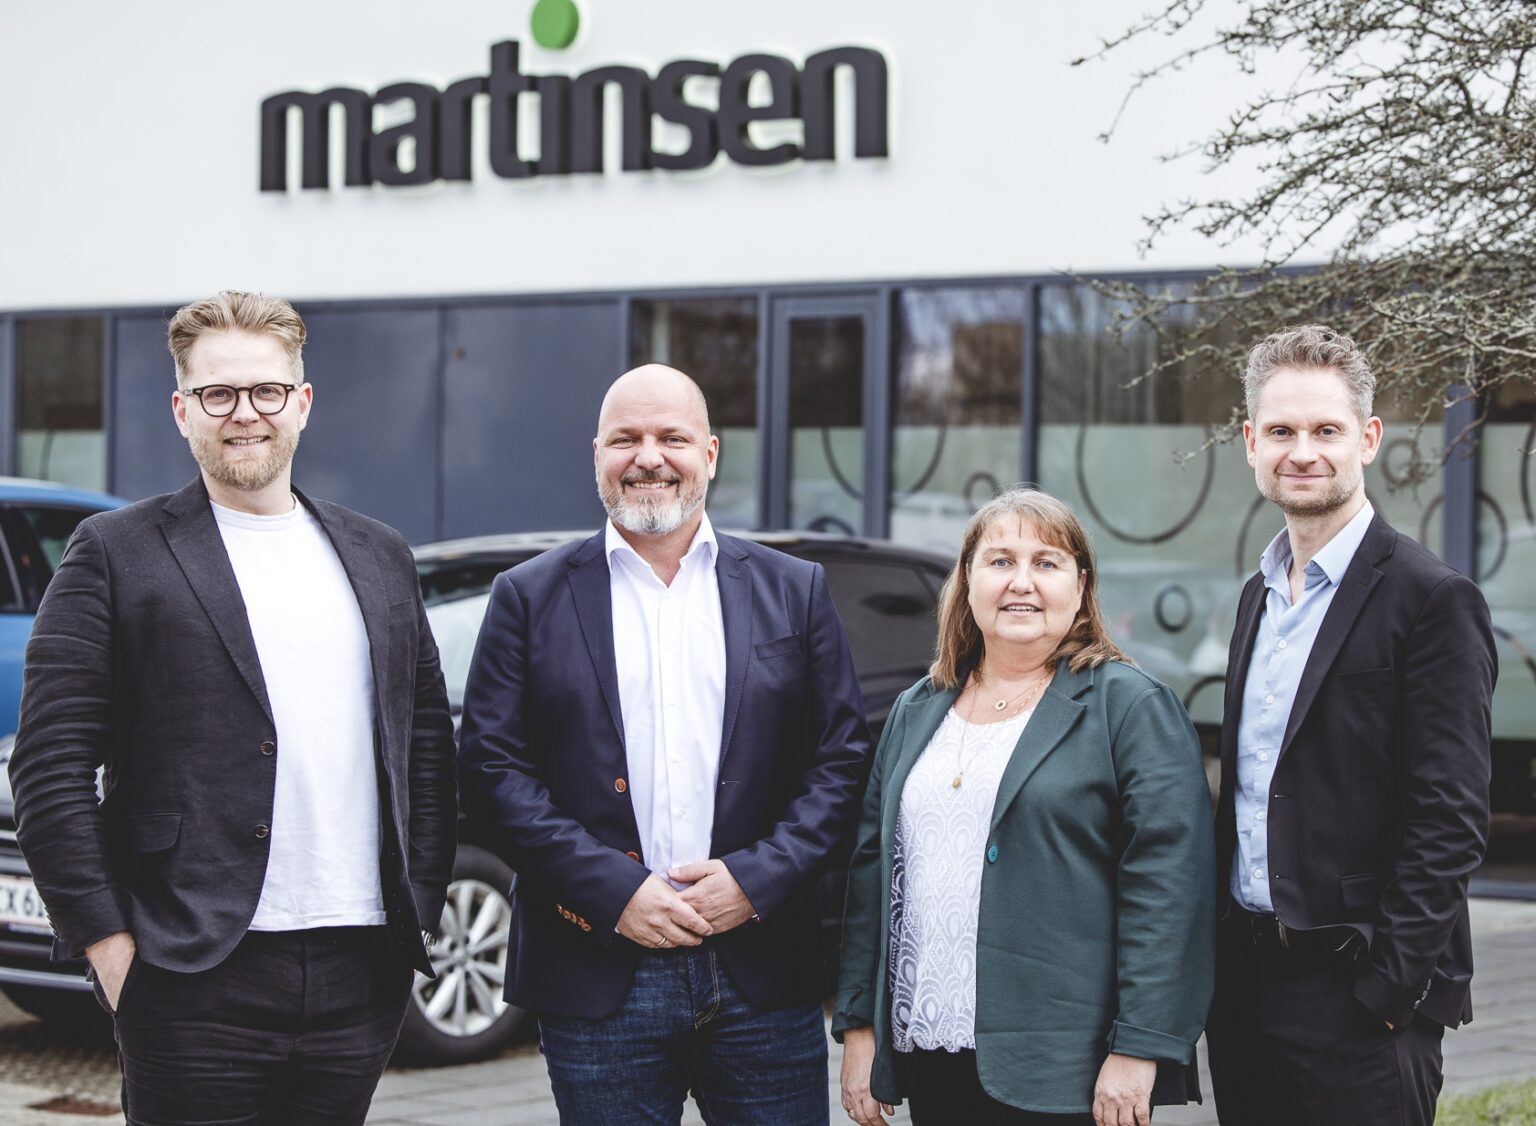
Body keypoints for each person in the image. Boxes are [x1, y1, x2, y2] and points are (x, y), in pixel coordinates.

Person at [8, 291, 457, 1125]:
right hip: (189, 972)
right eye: (218, 393)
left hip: (360, 966)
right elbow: (49, 765)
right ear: (182, 411)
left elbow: (424, 745)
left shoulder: (379, 554)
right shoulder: (114, 552)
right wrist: (108, 945)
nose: (244, 413)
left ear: (302, 402)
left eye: (266, 390)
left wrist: (419, 909)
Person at [457, 363, 871, 1124]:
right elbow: (491, 770)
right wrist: (614, 893)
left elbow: (841, 761)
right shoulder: (527, 596)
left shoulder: (795, 589)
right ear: (597, 455)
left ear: (709, 453)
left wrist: (755, 880)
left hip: (762, 972)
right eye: (626, 439)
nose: (648, 457)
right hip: (597, 974)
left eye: (671, 437)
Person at [836, 486, 1215, 1126]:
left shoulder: (1128, 706)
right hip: (929, 1049)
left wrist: (1141, 1045)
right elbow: (871, 873)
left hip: (1065, 1064)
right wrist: (858, 1026)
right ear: (967, 579)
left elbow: (1171, 889)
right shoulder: (916, 708)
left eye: (1046, 562)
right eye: (1000, 561)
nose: (1022, 582)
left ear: (1080, 584)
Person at [1206, 325, 1496, 1126]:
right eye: (1281, 431)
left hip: (1361, 998)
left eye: (1326, 430)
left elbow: (1451, 818)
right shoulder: (1259, 596)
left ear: (1366, 440)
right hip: (1249, 991)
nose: (1303, 452)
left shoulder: (1431, 600)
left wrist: (1390, 990)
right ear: (1251, 444)